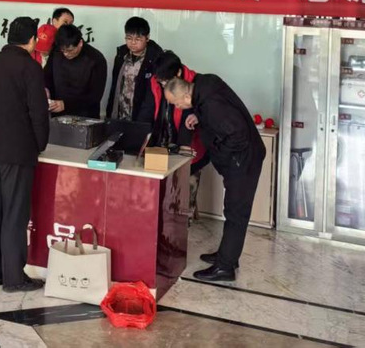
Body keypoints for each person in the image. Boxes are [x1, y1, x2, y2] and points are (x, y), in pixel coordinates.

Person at [163, 74, 265, 282]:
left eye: (177, 103)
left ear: (185, 96)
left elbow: (238, 136)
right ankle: (227, 255)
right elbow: (222, 111)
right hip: (243, 156)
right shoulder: (204, 85)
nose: (178, 108)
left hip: (243, 159)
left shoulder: (211, 105)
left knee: (236, 212)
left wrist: (221, 154)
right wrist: (198, 116)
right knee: (232, 210)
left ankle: (225, 268)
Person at [0, 17, 50, 292]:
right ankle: (13, 278)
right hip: (17, 151)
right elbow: (38, 112)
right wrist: (39, 144)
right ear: (32, 40)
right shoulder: (30, 68)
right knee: (14, 215)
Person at [153, 51, 209, 220]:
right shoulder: (157, 79)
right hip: (166, 140)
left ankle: (185, 220)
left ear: (177, 73)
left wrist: (183, 149)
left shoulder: (194, 84)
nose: (164, 85)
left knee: (186, 187)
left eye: (166, 81)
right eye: (161, 82)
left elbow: (190, 120)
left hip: (190, 145)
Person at [105, 17, 164, 125]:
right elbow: (115, 87)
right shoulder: (121, 55)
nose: (132, 43)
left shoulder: (155, 58)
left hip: (142, 117)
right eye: (129, 38)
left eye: (138, 39)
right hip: (120, 114)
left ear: (147, 38)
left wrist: (145, 119)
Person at [43, 25, 108, 118]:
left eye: (70, 50)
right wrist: (46, 88)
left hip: (85, 117)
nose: (66, 54)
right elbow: (47, 75)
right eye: (63, 50)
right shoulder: (57, 51)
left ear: (80, 43)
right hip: (58, 114)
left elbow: (94, 96)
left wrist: (66, 105)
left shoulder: (96, 59)